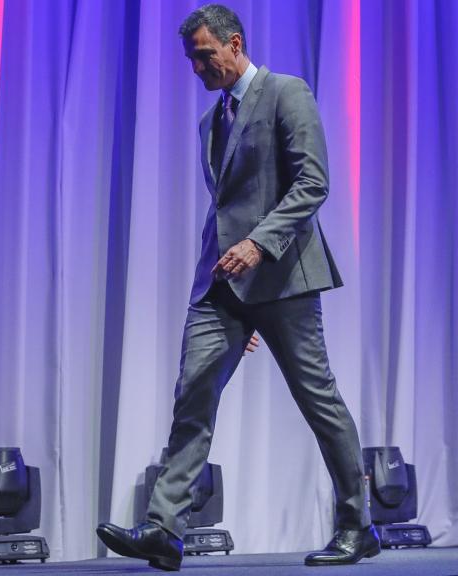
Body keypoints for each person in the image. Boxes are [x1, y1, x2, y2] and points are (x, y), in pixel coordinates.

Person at [96, 4, 380, 571]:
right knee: (194, 392)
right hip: (223, 284)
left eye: (204, 55)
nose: (197, 69)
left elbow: (313, 182)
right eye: (191, 60)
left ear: (234, 43)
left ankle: (358, 525)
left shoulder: (286, 92)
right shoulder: (211, 121)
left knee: (317, 400)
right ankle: (164, 528)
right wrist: (233, 292)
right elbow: (225, 209)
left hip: (282, 275)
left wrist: (258, 246)